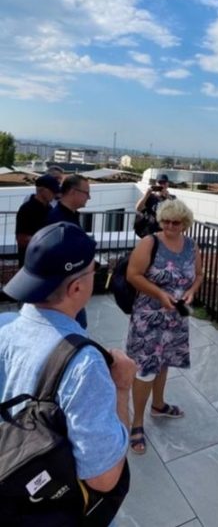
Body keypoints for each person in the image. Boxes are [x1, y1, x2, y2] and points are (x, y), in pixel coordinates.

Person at [0, 223, 135, 523]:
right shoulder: (84, 365)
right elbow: (104, 478)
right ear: (76, 287)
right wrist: (122, 387)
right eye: (93, 270)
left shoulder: (4, 326)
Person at [125, 199, 202, 455]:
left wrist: (191, 291)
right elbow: (133, 275)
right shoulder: (150, 243)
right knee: (145, 368)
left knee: (164, 361)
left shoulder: (192, 246)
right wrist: (159, 294)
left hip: (176, 316)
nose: (169, 226)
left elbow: (199, 275)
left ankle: (158, 405)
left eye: (175, 222)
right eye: (166, 221)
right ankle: (137, 424)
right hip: (149, 315)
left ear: (185, 224)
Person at [44, 174, 91, 329]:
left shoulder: (67, 215)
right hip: (63, 289)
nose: (88, 198)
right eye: (86, 193)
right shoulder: (58, 219)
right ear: (72, 192)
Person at [15, 174, 60, 266]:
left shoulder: (50, 208)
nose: (55, 194)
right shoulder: (26, 209)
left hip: (45, 261)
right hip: (30, 262)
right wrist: (47, 241)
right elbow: (21, 239)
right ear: (41, 190)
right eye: (52, 190)